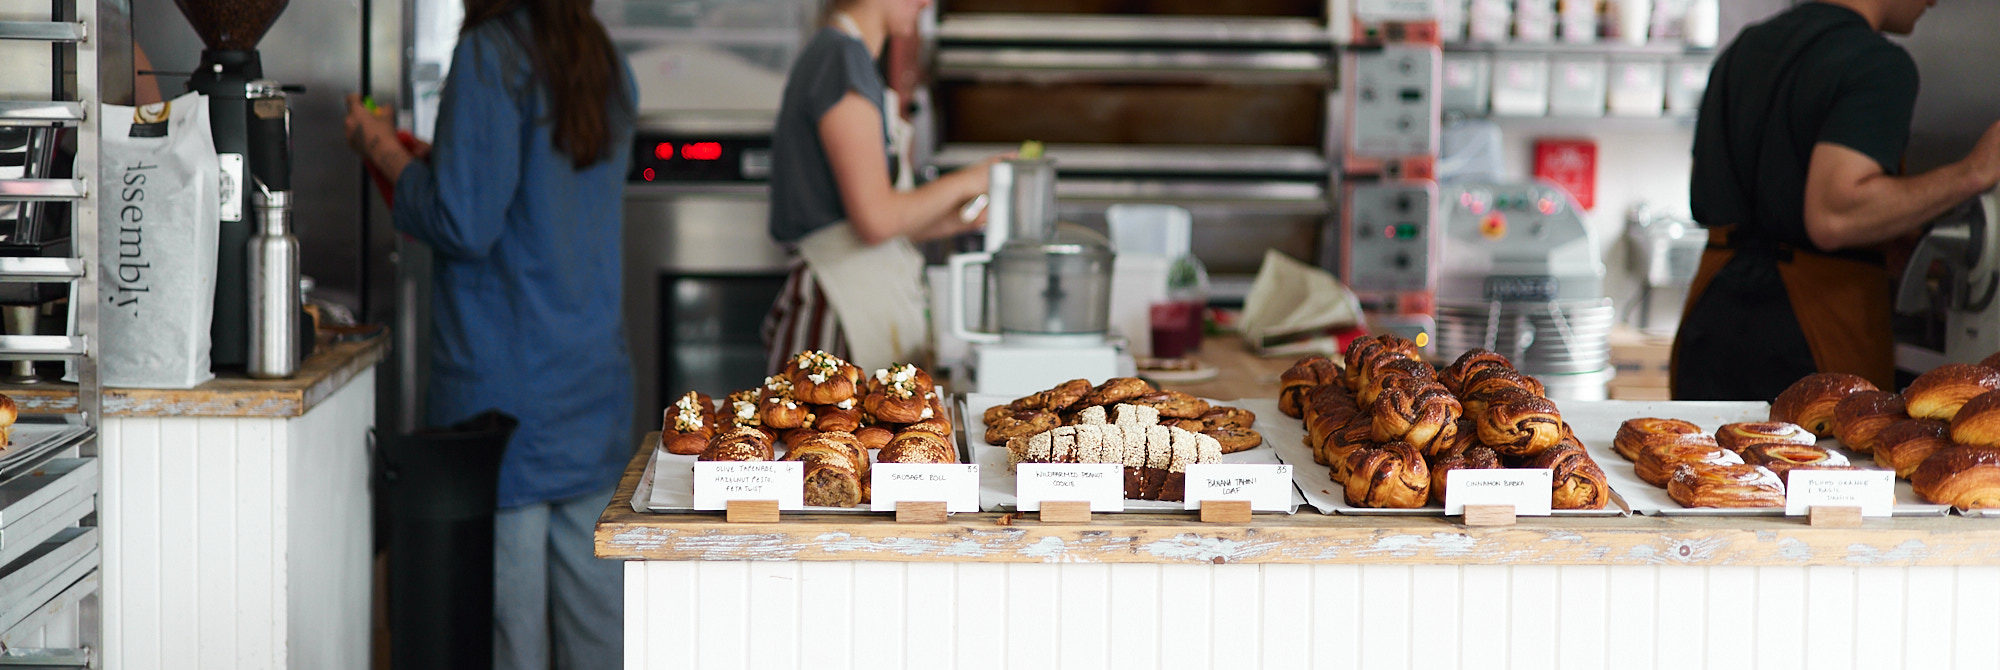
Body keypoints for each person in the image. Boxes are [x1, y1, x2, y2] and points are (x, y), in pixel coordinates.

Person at [341, 0, 634, 666]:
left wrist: (380, 147)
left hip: (505, 403)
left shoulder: (491, 55)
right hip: (591, 393)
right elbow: (538, 193)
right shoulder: (601, 57)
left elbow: (464, 222)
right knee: (601, 634)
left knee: (511, 639)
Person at [1672, 0, 2000, 401]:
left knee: (1697, 460)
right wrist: (1974, 172)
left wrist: (1882, 232)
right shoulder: (1876, 62)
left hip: (1710, 319)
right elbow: (1833, 217)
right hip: (1807, 338)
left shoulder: (1746, 46)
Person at [763, 0, 1000, 373]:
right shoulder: (840, 59)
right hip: (837, 312)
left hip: (855, 299)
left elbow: (884, 219)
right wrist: (973, 178)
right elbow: (875, 220)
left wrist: (958, 218)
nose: (925, 3)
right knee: (820, 431)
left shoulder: (850, 59)